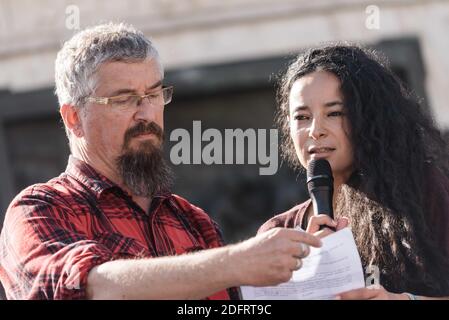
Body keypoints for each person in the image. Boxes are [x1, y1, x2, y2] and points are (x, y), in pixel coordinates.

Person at [0, 23, 321, 300]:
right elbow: (91, 288)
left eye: (154, 94)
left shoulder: (193, 221)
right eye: (124, 99)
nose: (146, 113)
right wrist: (236, 262)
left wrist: (314, 273)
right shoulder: (37, 209)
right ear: (73, 117)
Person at [259, 44, 449, 300]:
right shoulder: (279, 231)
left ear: (369, 118)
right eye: (302, 117)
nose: (315, 130)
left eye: (334, 113)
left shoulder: (422, 194)